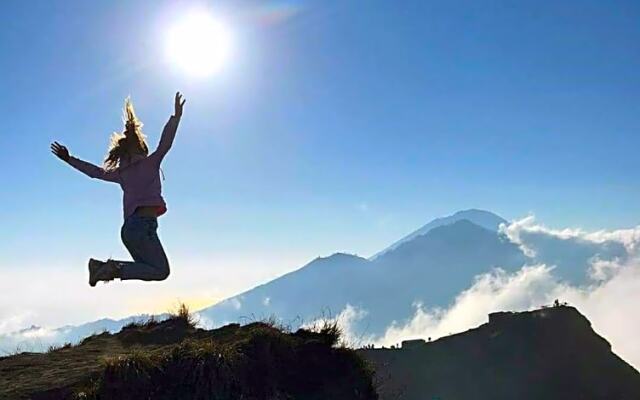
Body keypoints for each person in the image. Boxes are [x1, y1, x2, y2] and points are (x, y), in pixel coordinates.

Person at [51, 92, 186, 286]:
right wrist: (176, 117)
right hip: (143, 227)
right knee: (160, 271)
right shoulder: (150, 163)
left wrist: (69, 159)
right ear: (141, 148)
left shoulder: (122, 173)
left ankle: (102, 268)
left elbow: (95, 172)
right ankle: (107, 268)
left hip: (130, 230)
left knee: (148, 267)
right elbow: (166, 143)